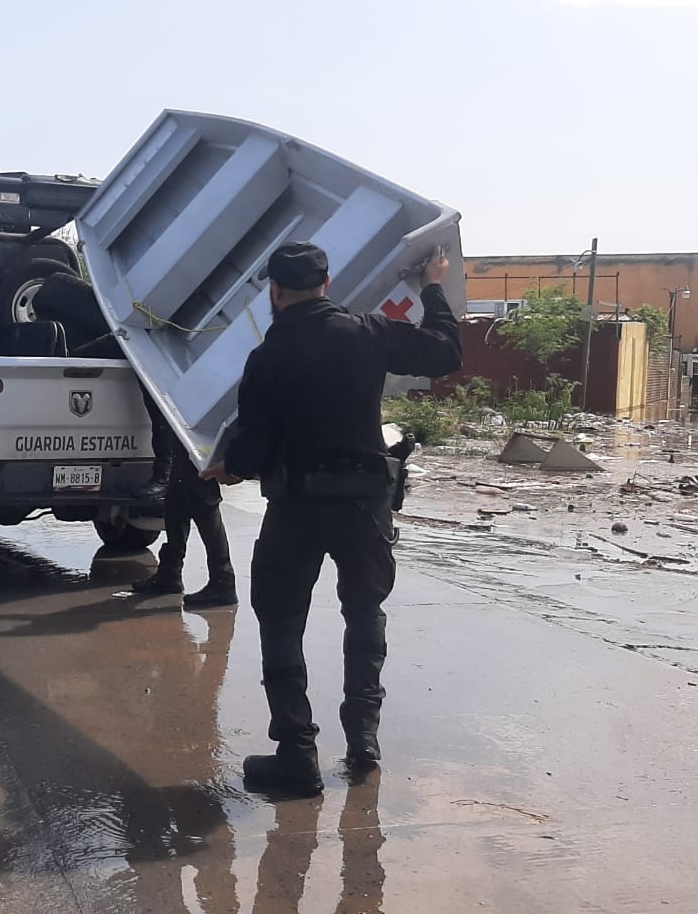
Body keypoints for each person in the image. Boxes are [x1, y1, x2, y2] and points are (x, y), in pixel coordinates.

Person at [201, 241, 462, 796]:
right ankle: (363, 740)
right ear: (326, 283)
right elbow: (444, 353)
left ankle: (297, 754)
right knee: (365, 613)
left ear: (274, 292)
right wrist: (432, 287)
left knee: (279, 621)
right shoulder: (366, 332)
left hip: (296, 507)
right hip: (365, 505)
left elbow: (253, 449)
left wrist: (227, 468)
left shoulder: (267, 355)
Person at [131, 431, 237, 608]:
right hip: (185, 429)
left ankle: (223, 581)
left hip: (193, 428)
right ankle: (170, 573)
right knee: (177, 498)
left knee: (203, 498)